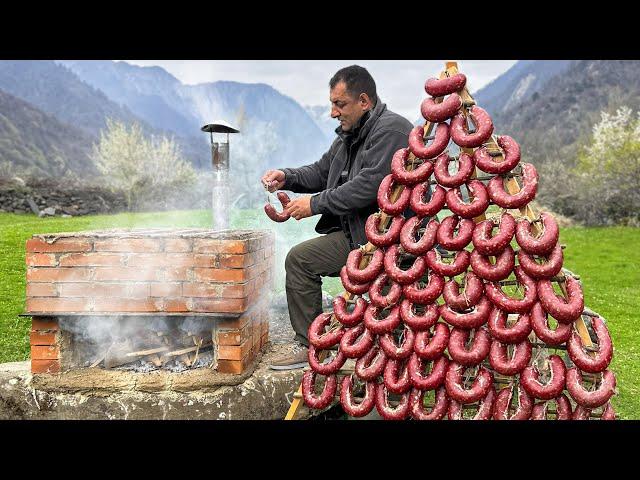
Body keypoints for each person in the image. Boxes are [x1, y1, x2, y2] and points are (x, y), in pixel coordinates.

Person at [262, 65, 413, 370]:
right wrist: (287, 177)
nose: (333, 112)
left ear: (364, 101)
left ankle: (371, 353)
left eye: (339, 104)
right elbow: (321, 171)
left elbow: (370, 186)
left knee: (300, 260)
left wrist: (315, 204)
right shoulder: (348, 135)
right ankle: (312, 345)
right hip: (357, 237)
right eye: (332, 103)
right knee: (300, 260)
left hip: (387, 243)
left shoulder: (392, 130)